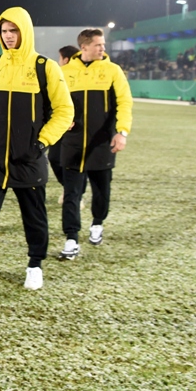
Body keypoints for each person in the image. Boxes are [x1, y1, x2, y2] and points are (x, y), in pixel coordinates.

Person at [0, 7, 73, 295]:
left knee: (34, 218)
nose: (8, 36)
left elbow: (64, 111)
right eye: (4, 31)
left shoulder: (45, 67)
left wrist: (41, 143)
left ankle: (35, 266)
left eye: (14, 30)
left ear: (25, 31)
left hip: (28, 159)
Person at [56, 29, 133, 258]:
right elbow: (54, 102)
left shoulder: (113, 71)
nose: (103, 49)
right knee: (71, 193)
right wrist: (61, 119)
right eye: (98, 45)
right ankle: (71, 239)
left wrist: (121, 132)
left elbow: (124, 103)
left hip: (103, 142)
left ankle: (97, 223)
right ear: (84, 47)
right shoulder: (65, 72)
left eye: (103, 44)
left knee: (102, 191)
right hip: (72, 143)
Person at [49, 45, 80, 205]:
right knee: (54, 158)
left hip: (76, 127)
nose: (58, 61)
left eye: (60, 58)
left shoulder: (79, 75)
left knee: (75, 163)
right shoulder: (59, 75)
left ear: (66, 59)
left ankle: (74, 194)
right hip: (60, 125)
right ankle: (69, 189)